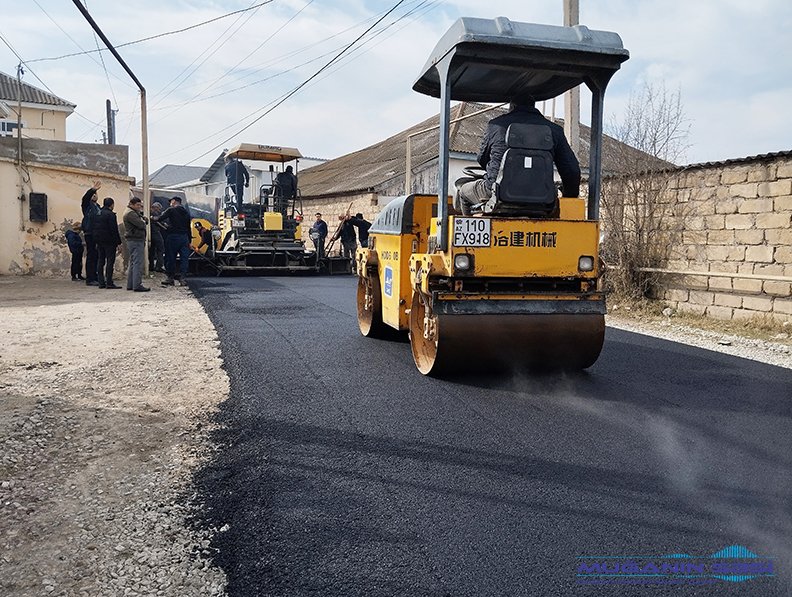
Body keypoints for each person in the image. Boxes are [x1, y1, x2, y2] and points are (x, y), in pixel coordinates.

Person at [455, 98, 581, 215]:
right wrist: (569, 198)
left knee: (463, 192)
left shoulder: (495, 125)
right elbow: (572, 171)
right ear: (533, 106)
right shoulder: (555, 130)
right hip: (543, 198)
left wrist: (496, 169)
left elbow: (482, 158)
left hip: (496, 192)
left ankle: (472, 234)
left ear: (512, 106)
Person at [158, 196, 192, 286]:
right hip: (184, 238)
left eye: (171, 202)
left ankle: (170, 278)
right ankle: (183, 278)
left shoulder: (171, 210)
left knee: (171, 257)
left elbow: (160, 218)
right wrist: (189, 241)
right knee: (184, 259)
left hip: (173, 237)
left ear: (174, 202)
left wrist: (153, 218)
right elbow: (189, 228)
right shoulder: (186, 213)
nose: (170, 204)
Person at [92, 197, 122, 289]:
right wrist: (118, 242)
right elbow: (114, 230)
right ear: (112, 205)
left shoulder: (98, 213)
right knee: (110, 261)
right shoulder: (111, 215)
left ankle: (101, 282)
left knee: (101, 261)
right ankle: (109, 282)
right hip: (109, 241)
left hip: (99, 240)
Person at [123, 197, 150, 292]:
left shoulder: (133, 212)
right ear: (131, 204)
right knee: (138, 263)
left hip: (134, 240)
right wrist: (144, 220)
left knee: (133, 263)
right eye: (137, 205)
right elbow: (141, 224)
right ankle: (137, 285)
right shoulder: (130, 213)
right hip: (136, 240)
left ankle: (131, 284)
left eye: (140, 205)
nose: (139, 207)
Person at [80, 181, 102, 286]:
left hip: (98, 234)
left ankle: (96, 276)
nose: (94, 196)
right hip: (90, 233)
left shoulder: (98, 207)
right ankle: (90, 278)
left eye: (95, 194)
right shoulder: (87, 206)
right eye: (92, 195)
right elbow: (85, 198)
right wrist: (93, 189)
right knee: (91, 256)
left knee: (97, 256)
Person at [148, 202, 166, 272]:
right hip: (156, 233)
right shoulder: (154, 214)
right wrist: (164, 226)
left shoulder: (148, 212)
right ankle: (159, 266)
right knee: (161, 248)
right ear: (155, 207)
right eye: (158, 209)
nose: (159, 211)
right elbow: (158, 221)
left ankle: (151, 266)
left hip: (151, 234)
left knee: (152, 251)